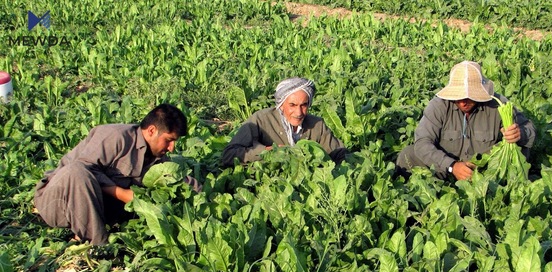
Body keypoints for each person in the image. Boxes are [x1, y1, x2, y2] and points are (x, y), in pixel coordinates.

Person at [33, 103, 201, 245]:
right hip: (58, 203)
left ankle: (87, 230)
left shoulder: (156, 156)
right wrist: (122, 193)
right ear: (151, 131)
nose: (172, 148)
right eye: (169, 140)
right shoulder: (115, 137)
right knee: (76, 171)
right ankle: (97, 244)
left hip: (97, 208)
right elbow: (81, 169)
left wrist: (201, 196)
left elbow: (178, 180)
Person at [395, 60, 536, 180]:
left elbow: (529, 129)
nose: (463, 102)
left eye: (469, 97)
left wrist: (519, 134)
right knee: (409, 155)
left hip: (485, 172)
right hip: (443, 169)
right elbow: (422, 142)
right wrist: (452, 166)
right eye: (459, 97)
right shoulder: (439, 106)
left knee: (521, 150)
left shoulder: (498, 105)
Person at [222, 77, 349, 166]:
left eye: (304, 105)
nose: (299, 113)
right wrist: (267, 152)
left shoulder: (317, 125)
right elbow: (229, 154)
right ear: (281, 105)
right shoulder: (260, 120)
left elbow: (340, 154)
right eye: (292, 105)